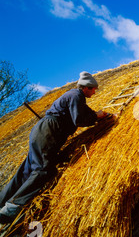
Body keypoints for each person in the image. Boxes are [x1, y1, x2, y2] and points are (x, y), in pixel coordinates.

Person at [0, 71, 109, 224]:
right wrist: (95, 117)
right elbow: (78, 119)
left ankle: (1, 202)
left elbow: (84, 111)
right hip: (49, 131)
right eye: (93, 89)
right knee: (44, 169)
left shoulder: (74, 96)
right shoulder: (76, 95)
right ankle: (11, 208)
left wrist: (96, 114)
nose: (95, 92)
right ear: (86, 87)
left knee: (25, 171)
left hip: (41, 130)